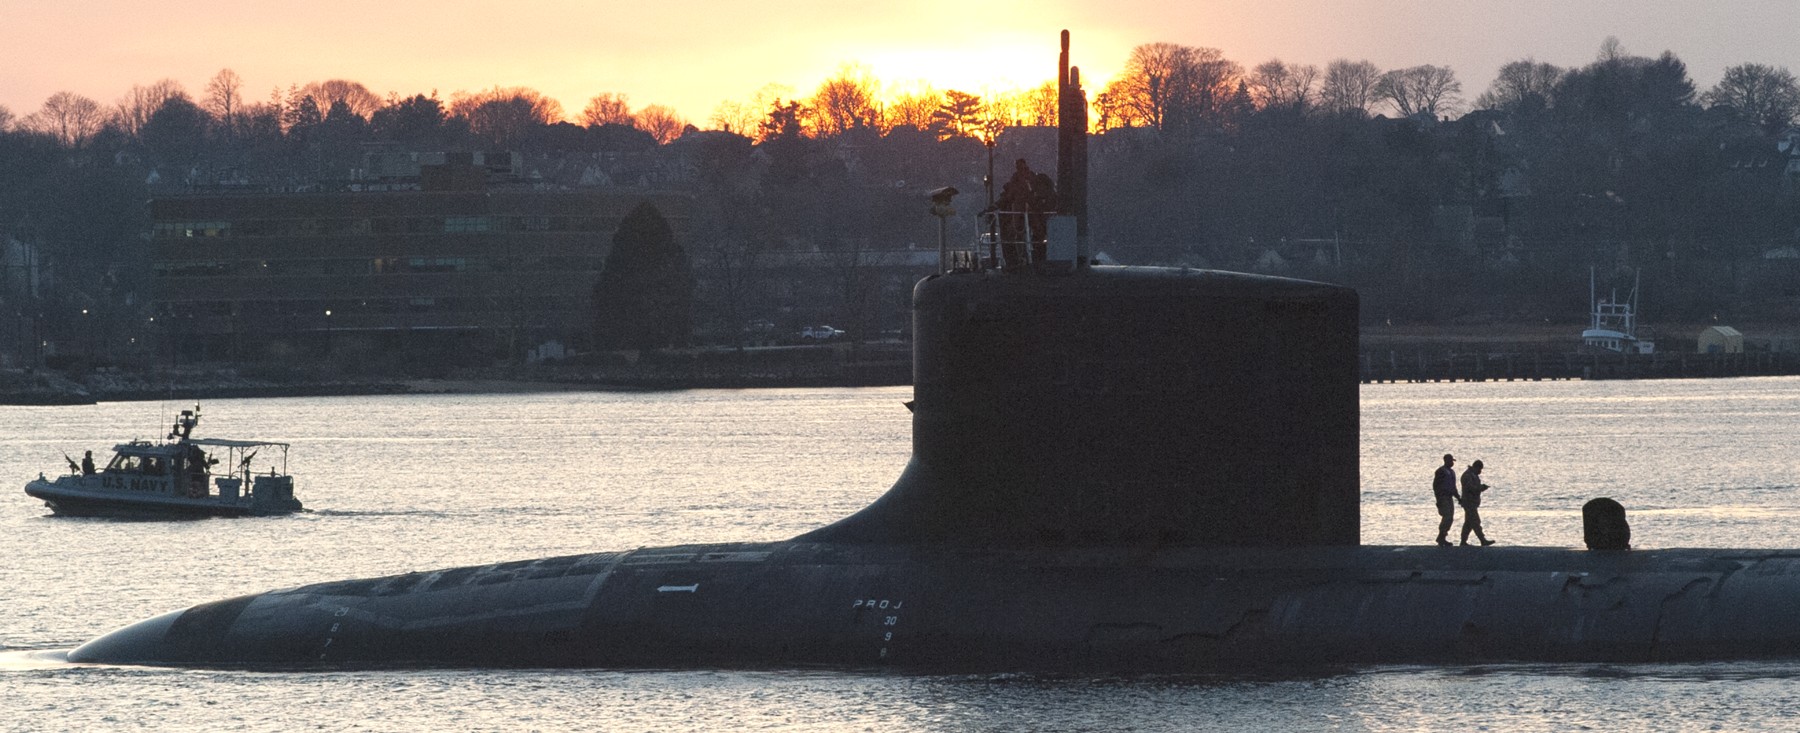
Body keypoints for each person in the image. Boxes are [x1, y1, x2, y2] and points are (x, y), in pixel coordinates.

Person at [1459, 459, 1495, 546]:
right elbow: (1470, 488)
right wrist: (1481, 488)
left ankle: (1463, 541)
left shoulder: (1472, 475)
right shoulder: (1467, 475)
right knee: (1475, 521)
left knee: (1468, 523)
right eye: (1479, 469)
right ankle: (1482, 540)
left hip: (1472, 502)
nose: (1480, 471)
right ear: (1475, 467)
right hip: (1469, 502)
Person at [1433, 453, 1459, 547]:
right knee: (1447, 517)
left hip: (1449, 497)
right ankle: (1441, 537)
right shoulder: (1440, 471)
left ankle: (1442, 536)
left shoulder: (1451, 472)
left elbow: (1453, 487)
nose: (1452, 463)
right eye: (1451, 461)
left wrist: (1458, 498)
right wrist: (1439, 498)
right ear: (1446, 461)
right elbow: (1436, 486)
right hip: (1443, 497)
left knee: (1450, 518)